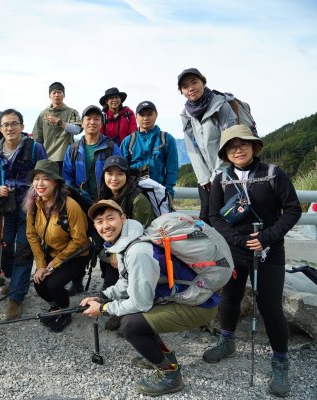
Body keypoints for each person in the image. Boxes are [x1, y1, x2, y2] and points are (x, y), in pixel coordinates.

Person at [81, 200, 219, 396]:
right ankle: (164, 357)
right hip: (190, 297)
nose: (105, 226)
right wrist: (102, 296)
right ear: (94, 226)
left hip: (199, 304)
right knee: (136, 319)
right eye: (99, 221)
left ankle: (170, 376)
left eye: (110, 218)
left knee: (130, 325)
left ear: (123, 218)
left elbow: (141, 302)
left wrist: (103, 309)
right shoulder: (127, 242)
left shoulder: (137, 251)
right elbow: (126, 282)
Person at [205, 125, 301, 398]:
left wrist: (268, 237)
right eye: (232, 146)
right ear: (225, 152)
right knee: (230, 298)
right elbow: (214, 216)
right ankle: (227, 341)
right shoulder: (221, 179)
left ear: (254, 146)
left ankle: (280, 361)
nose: (238, 149)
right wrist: (236, 240)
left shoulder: (273, 174)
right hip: (236, 251)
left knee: (270, 307)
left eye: (243, 143)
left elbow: (293, 209)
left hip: (269, 252)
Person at [0, 109, 47, 320]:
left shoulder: (34, 148)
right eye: (5, 125)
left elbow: (44, 174)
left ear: (22, 126)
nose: (10, 128)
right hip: (5, 206)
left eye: (14, 124)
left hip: (29, 206)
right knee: (3, 247)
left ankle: (16, 297)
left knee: (23, 248)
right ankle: (13, 280)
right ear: (0, 128)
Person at [62, 105, 122, 295]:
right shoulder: (73, 148)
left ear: (102, 123)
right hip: (80, 202)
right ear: (82, 122)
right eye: (88, 119)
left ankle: (108, 281)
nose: (92, 122)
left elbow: (120, 173)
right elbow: (66, 176)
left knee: (107, 240)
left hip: (104, 201)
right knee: (78, 240)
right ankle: (76, 280)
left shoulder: (111, 146)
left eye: (97, 119)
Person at [25, 160, 90, 332]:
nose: (40, 183)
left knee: (53, 284)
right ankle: (56, 307)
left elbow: (80, 240)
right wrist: (40, 264)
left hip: (76, 255)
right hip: (52, 253)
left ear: (56, 182)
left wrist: (55, 263)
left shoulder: (70, 206)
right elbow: (31, 234)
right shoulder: (34, 204)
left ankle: (65, 312)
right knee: (39, 282)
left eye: (46, 179)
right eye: (36, 178)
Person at [178, 68, 237, 224]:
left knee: (229, 215)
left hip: (227, 171)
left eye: (194, 82)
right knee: (206, 216)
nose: (191, 88)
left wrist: (218, 172)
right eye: (185, 86)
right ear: (182, 91)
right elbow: (191, 148)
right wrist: (204, 178)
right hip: (205, 176)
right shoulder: (186, 114)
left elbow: (230, 140)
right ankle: (211, 248)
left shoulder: (221, 105)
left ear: (203, 82)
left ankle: (231, 248)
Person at [96, 155, 154, 290]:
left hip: (134, 251)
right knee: (109, 288)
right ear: (103, 175)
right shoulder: (105, 195)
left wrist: (117, 253)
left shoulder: (138, 199)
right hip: (113, 246)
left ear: (127, 176)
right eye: (109, 174)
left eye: (119, 174)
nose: (114, 179)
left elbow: (143, 234)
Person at [120, 101, 178, 198]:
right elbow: (121, 169)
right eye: (142, 115)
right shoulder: (128, 141)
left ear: (156, 115)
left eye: (150, 114)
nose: (146, 118)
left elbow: (172, 169)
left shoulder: (166, 139)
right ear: (136, 116)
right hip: (133, 192)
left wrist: (168, 192)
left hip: (159, 191)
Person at [32, 82, 82, 172]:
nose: (56, 95)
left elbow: (77, 130)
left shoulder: (72, 112)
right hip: (47, 157)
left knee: (65, 184)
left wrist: (59, 122)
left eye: (59, 92)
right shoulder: (43, 114)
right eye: (54, 93)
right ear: (49, 96)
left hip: (66, 156)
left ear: (64, 95)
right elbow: (37, 137)